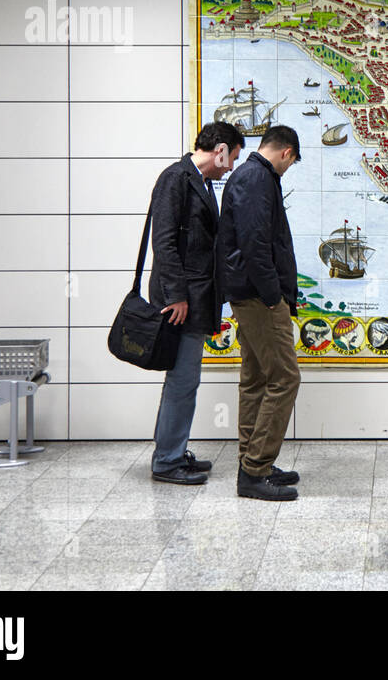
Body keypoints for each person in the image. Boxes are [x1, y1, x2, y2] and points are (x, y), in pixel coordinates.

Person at [148, 121, 243, 486]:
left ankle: (172, 451)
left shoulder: (198, 182)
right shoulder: (176, 179)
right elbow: (165, 242)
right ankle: (167, 461)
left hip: (195, 299)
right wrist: (176, 296)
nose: (231, 166)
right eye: (231, 157)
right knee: (183, 381)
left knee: (182, 381)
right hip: (181, 303)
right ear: (219, 149)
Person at [215, 124, 303, 501]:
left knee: (254, 380)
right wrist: (273, 297)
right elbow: (255, 244)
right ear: (286, 152)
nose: (289, 167)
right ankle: (254, 471)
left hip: (248, 295)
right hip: (258, 298)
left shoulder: (250, 175)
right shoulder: (256, 178)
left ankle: (253, 464)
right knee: (285, 378)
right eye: (293, 162)